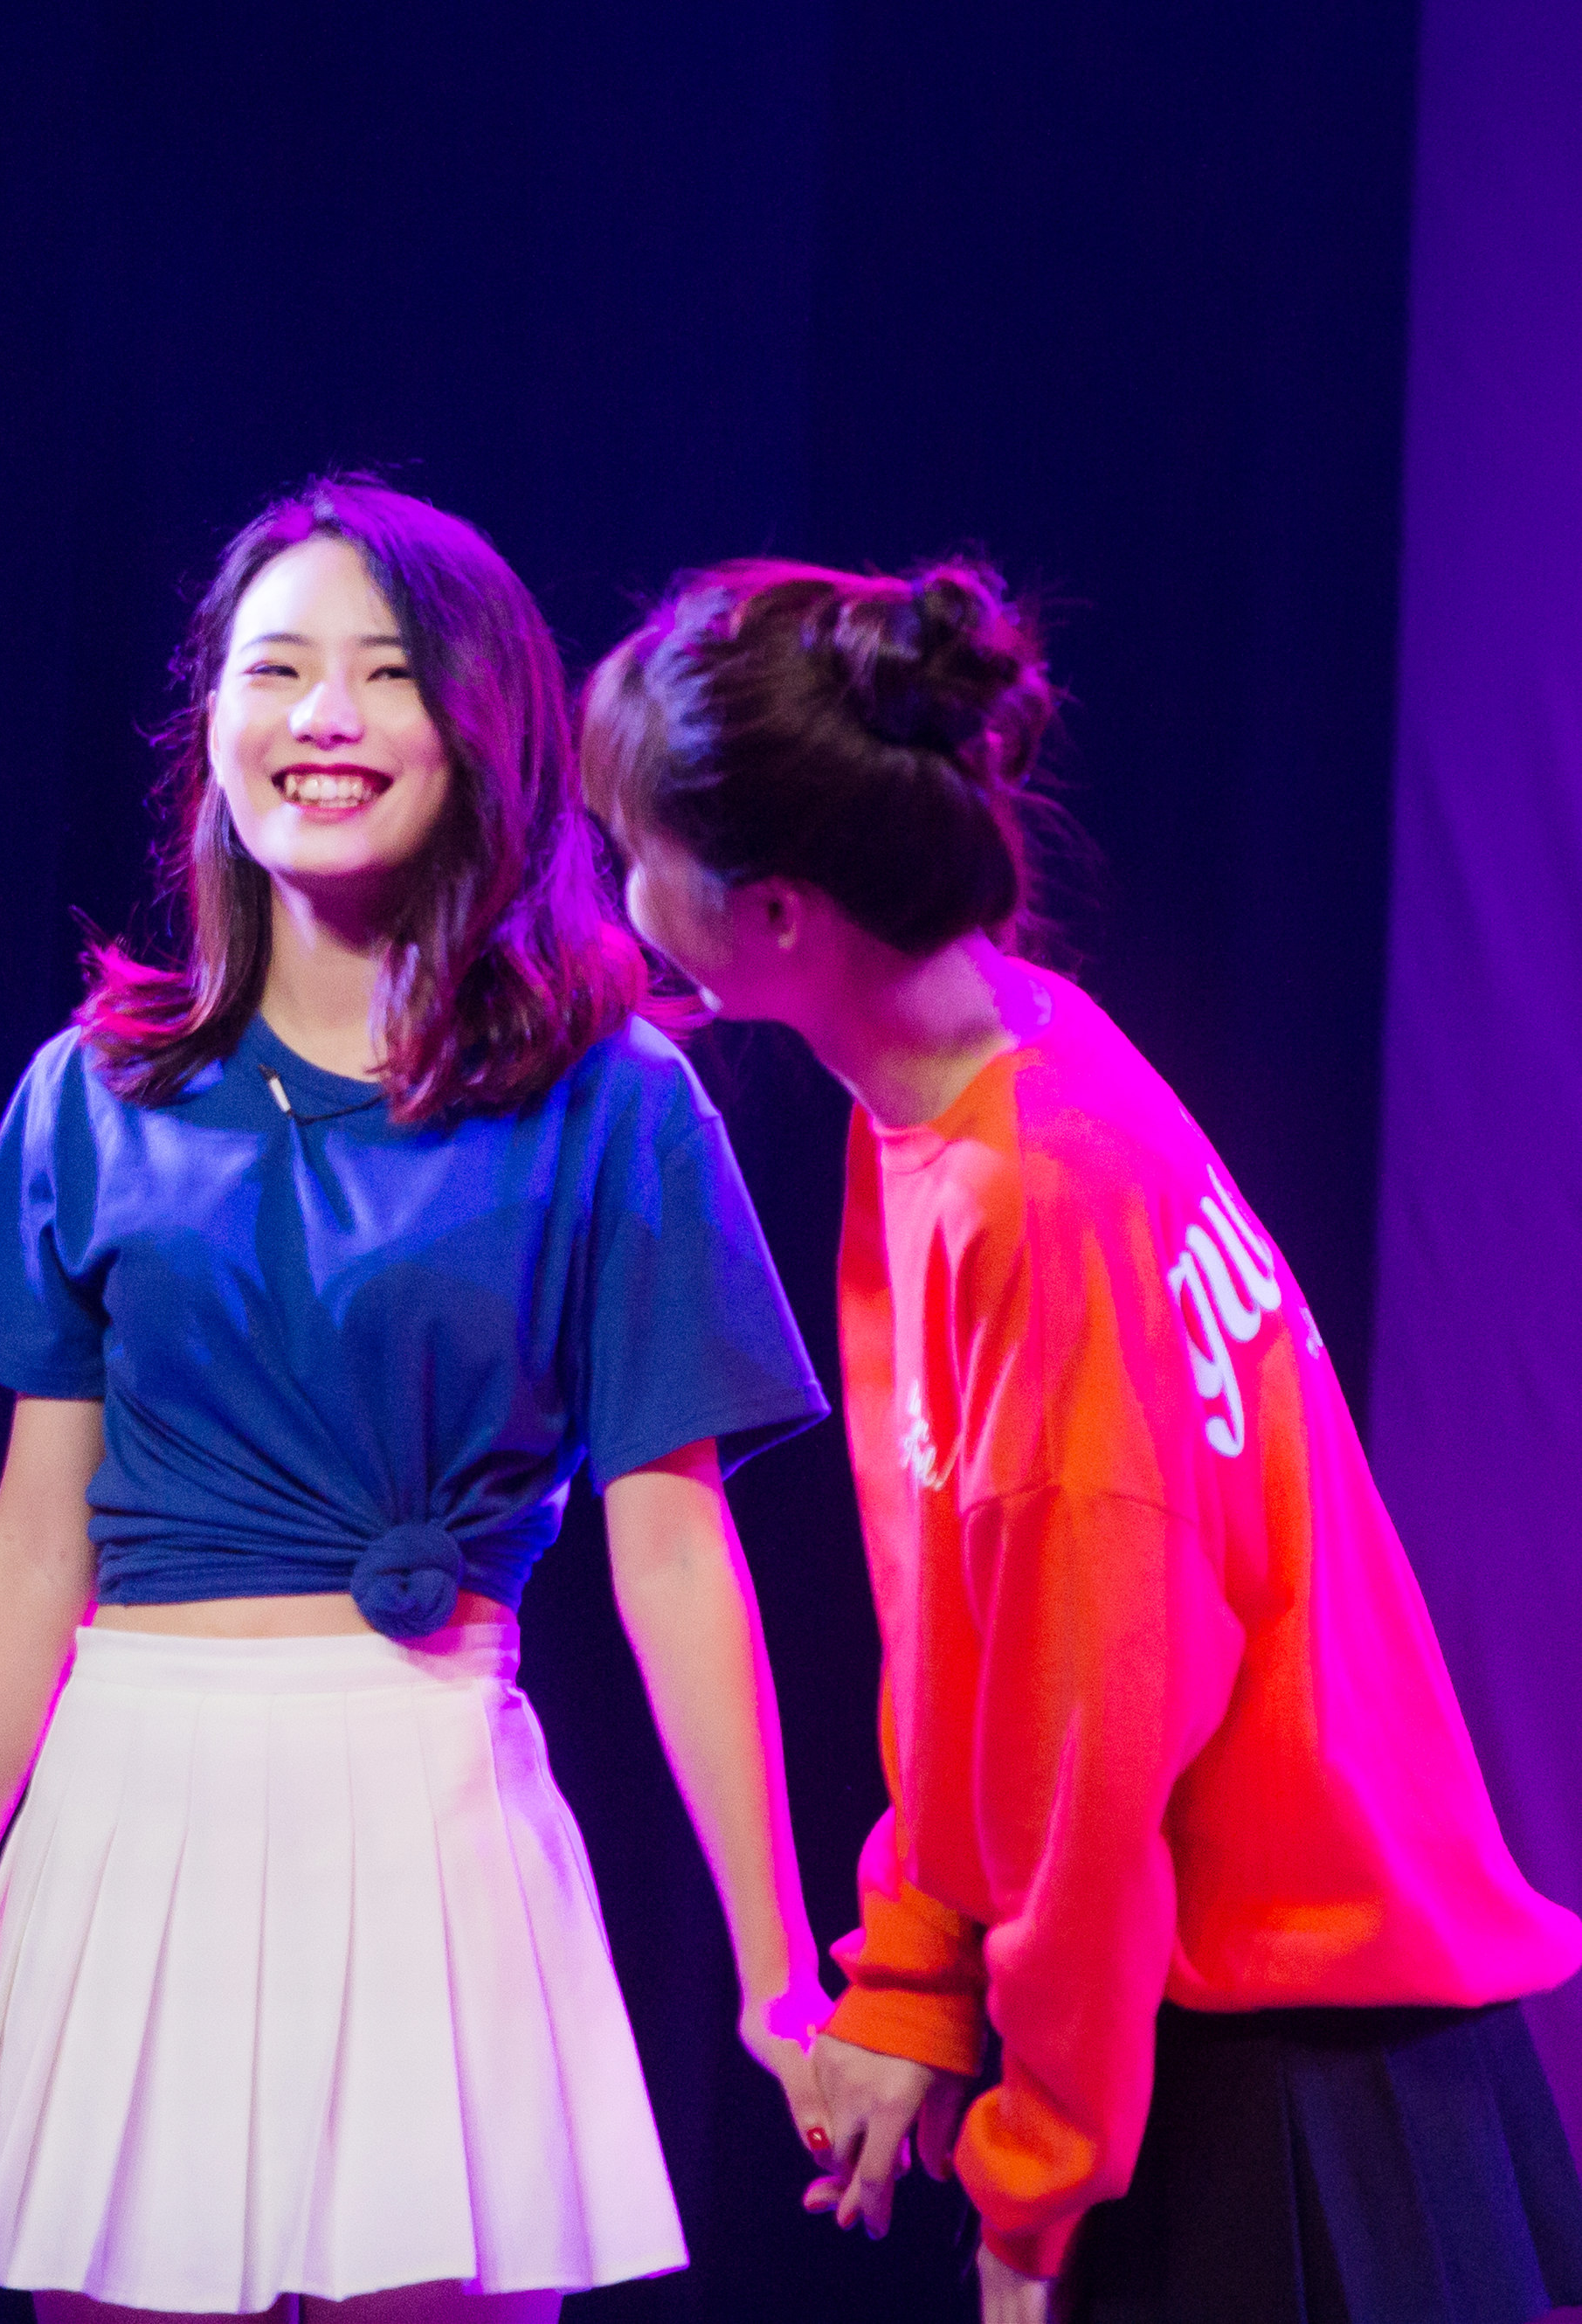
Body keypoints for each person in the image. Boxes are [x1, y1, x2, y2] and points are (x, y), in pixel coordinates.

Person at [0, 477, 840, 2323]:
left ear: (482, 729)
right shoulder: (95, 1092)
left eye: (387, 674)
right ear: (212, 720)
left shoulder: (614, 1097)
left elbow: (677, 1552)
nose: (325, 716)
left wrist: (778, 1970)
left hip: (429, 1800)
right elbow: (32, 1553)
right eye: (277, 668)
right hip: (138, 1809)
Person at [584, 557, 1582, 2324]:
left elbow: (1089, 1756)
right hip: (1224, 2028)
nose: (620, 890)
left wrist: (1032, 2191)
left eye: (633, 850)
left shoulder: (1035, 1193)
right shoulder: (997, 1067)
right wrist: (912, 1976)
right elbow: (972, 1643)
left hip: (1282, 2070)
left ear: (779, 913)